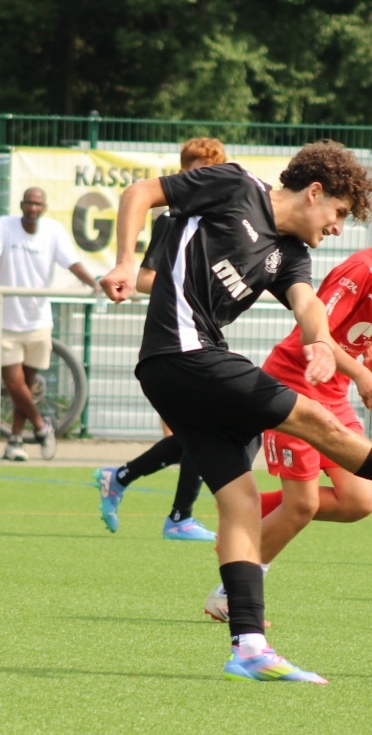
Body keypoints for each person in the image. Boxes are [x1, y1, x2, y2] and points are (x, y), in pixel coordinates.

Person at [100, 140, 372, 684]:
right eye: (339, 213)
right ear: (314, 193)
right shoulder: (235, 185)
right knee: (318, 424)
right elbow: (140, 192)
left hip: (178, 369)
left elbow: (307, 302)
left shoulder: (290, 253)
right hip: (184, 354)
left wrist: (322, 341)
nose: (339, 228)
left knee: (241, 504)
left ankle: (249, 648)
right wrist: (125, 261)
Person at [95, 137, 228, 541]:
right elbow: (146, 279)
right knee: (206, 429)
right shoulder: (172, 220)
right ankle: (176, 515)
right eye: (196, 172)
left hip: (203, 335)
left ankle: (122, 479)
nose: (202, 181)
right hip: (175, 337)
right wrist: (189, 288)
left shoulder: (220, 222)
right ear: (182, 173)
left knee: (199, 433)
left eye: (211, 173)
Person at [0, 187, 97, 461]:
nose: (33, 208)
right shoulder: (4, 225)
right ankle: (42, 427)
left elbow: (72, 262)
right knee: (14, 383)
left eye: (38, 204)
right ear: (21, 205)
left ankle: (15, 441)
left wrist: (94, 283)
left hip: (38, 320)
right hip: (5, 319)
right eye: (29, 203)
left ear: (44, 208)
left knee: (27, 385)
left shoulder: (53, 230)